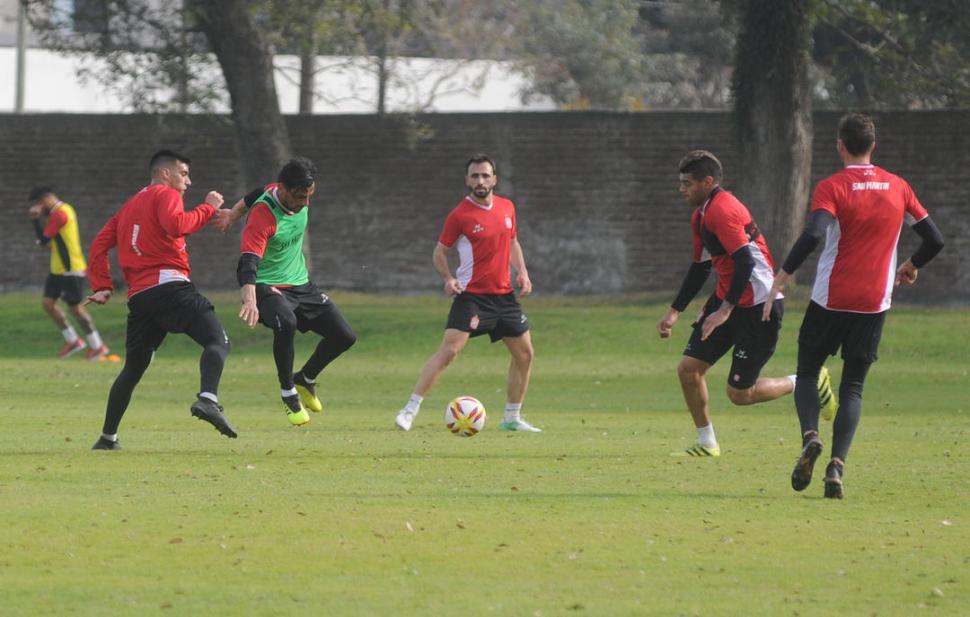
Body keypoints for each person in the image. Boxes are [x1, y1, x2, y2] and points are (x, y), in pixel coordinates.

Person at [763, 113, 944, 499]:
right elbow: (934, 239)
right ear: (873, 146)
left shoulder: (833, 187)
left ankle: (810, 436)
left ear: (840, 146)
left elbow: (813, 234)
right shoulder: (899, 187)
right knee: (854, 387)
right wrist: (911, 265)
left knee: (807, 373)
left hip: (831, 299)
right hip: (874, 302)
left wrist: (783, 275)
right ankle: (836, 467)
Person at [656, 150, 836, 458]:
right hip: (728, 300)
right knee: (688, 370)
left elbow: (745, 263)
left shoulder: (722, 210)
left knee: (740, 394)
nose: (681, 189)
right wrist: (675, 311)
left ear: (707, 182)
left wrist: (724, 311)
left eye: (687, 183)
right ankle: (707, 443)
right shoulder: (701, 216)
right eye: (681, 182)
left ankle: (807, 381)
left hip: (759, 307)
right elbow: (701, 266)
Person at [85, 149, 237, 450]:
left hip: (140, 298)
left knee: (133, 369)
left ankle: (107, 438)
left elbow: (99, 245)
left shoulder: (130, 206)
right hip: (170, 287)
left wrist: (102, 285)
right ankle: (208, 399)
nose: (188, 182)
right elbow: (177, 225)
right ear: (165, 173)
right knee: (218, 341)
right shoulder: (166, 194)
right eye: (184, 174)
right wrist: (208, 208)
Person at [394, 154, 539, 433]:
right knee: (449, 352)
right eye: (475, 176)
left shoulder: (507, 207)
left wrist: (522, 272)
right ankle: (409, 411)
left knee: (525, 355)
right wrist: (448, 279)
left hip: (504, 298)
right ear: (467, 180)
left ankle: (511, 418)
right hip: (472, 297)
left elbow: (513, 242)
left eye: (485, 175)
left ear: (494, 179)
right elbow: (439, 252)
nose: (480, 181)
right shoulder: (459, 215)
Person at [235, 157, 357, 426]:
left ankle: (305, 378)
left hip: (301, 284)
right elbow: (249, 261)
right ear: (283, 189)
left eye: (309, 195)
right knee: (286, 323)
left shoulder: (285, 190)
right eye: (300, 197)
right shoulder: (264, 215)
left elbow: (258, 190)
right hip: (266, 284)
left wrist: (233, 212)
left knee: (345, 336)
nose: (305, 202)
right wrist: (249, 298)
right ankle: (288, 391)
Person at [27, 187, 110, 360]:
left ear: (45, 200)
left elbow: (43, 240)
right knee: (48, 304)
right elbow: (47, 243)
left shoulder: (60, 214)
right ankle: (73, 340)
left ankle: (97, 346)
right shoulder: (58, 213)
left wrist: (35, 219)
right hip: (58, 269)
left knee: (76, 309)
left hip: (71, 269)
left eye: (38, 205)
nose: (37, 209)